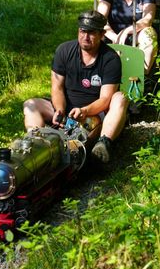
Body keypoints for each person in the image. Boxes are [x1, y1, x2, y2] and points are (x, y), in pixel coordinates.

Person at [23, 10, 128, 163]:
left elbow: (106, 99)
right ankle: (35, 142)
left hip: (95, 112)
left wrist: (85, 111)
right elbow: (57, 87)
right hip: (66, 109)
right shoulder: (64, 50)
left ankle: (103, 143)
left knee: (120, 98)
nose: (85, 37)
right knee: (30, 104)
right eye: (82, 31)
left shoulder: (110, 58)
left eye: (91, 33)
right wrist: (59, 109)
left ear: (101, 34)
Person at [97, 0, 158, 71]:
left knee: (150, 34)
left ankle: (141, 75)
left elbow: (147, 19)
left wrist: (127, 31)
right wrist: (115, 37)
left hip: (136, 34)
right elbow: (100, 18)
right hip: (111, 34)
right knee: (93, 31)